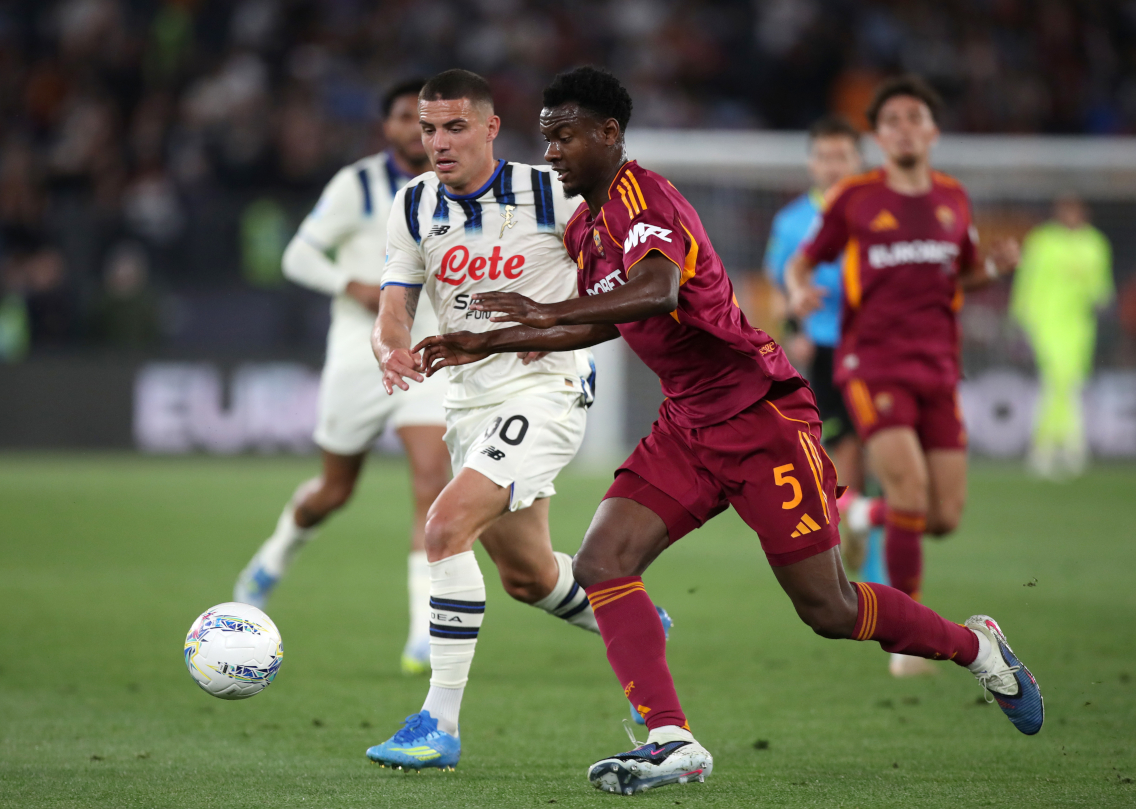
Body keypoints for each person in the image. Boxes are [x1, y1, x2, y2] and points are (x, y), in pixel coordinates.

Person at [417, 67, 1043, 796]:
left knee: (830, 608)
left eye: (564, 136)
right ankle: (670, 738)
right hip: (687, 422)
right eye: (546, 137)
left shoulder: (645, 199)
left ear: (609, 134)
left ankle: (979, 649)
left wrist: (539, 314)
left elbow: (658, 290)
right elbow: (610, 318)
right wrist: (488, 339)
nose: (550, 152)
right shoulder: (587, 226)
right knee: (603, 560)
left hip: (759, 418)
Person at [366, 68, 657, 772]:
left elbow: (615, 279)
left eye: (454, 126)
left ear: (491, 128)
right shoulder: (412, 204)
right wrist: (390, 345)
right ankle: (636, 623)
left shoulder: (551, 190)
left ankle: (437, 723)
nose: (437, 141)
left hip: (545, 389)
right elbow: (395, 303)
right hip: (468, 399)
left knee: (443, 525)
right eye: (427, 128)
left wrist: (556, 323)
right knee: (528, 576)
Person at [787, 75, 1023, 677]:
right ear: (878, 136)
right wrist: (797, 291)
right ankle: (910, 636)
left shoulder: (953, 199)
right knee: (911, 492)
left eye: (914, 117)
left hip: (939, 367)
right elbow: (803, 259)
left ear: (933, 131)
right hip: (871, 363)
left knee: (942, 516)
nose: (903, 128)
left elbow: (962, 275)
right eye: (890, 120)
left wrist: (992, 271)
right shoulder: (857, 197)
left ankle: (862, 514)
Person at [232, 79, 452, 676]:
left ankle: (422, 633)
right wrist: (349, 285)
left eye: (428, 119)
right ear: (388, 127)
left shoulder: (460, 187)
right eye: (408, 117)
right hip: (361, 353)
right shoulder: (356, 184)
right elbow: (297, 255)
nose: (418, 129)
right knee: (334, 491)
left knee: (432, 482)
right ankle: (272, 558)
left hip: (428, 352)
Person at [763, 115, 868, 568]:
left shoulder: (877, 211)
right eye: (824, 156)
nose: (833, 165)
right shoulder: (792, 222)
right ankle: (850, 517)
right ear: (811, 162)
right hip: (823, 343)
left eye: (841, 156)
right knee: (840, 437)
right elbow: (781, 286)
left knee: (866, 437)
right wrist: (795, 333)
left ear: (858, 160)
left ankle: (852, 513)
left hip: (875, 342)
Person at [1012, 195, 1113, 479]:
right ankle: (1061, 446)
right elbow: (1026, 281)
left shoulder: (1095, 244)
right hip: (1045, 322)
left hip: (1078, 327)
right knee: (1056, 379)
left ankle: (1054, 445)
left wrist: (1101, 302)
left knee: (1067, 384)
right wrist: (1020, 317)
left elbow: (1101, 288)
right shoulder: (1042, 241)